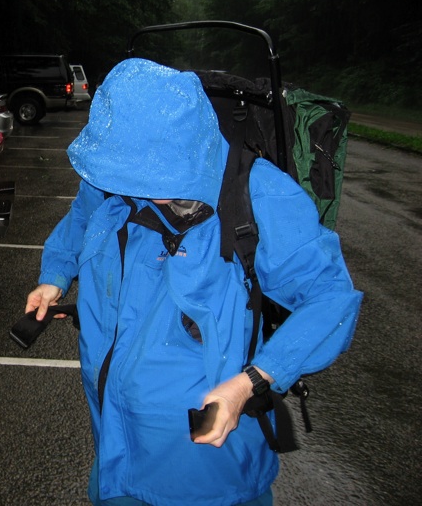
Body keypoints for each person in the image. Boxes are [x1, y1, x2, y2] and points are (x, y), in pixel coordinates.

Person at [25, 58, 362, 506]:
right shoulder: (112, 178)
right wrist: (54, 275)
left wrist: (251, 383)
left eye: (150, 173)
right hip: (115, 440)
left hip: (205, 466)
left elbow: (331, 299)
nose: (137, 187)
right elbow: (79, 219)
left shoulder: (259, 193)